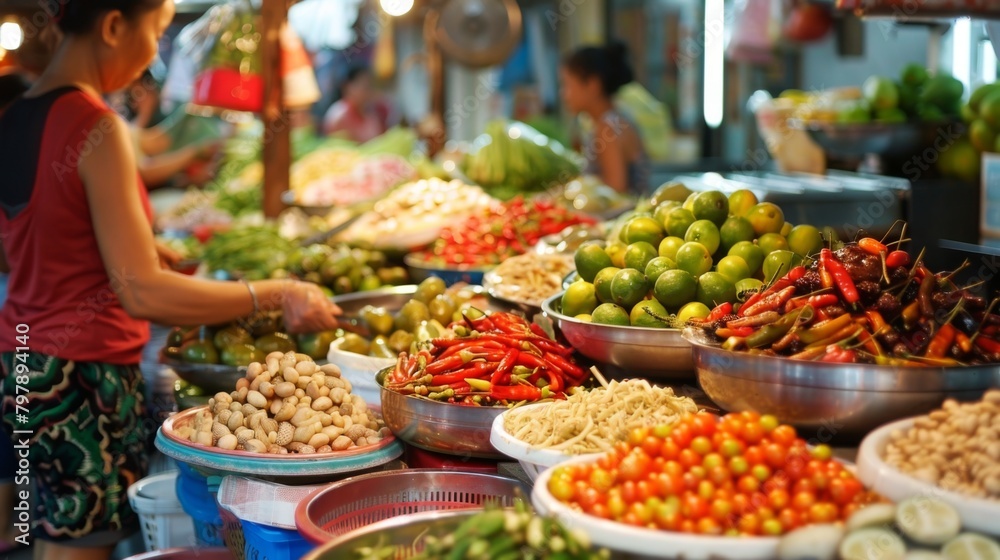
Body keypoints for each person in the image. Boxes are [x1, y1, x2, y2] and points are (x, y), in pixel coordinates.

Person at [0, 1, 341, 559]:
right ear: (113, 26)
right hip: (81, 371)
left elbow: (20, 247)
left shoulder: (16, 115)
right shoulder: (95, 125)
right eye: (156, 31)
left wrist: (107, 247)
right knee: (78, 546)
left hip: (20, 359)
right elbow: (144, 292)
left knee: (50, 533)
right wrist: (275, 293)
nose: (155, 52)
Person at [561, 43, 650, 195]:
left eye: (567, 85)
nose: (564, 94)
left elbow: (616, 192)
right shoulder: (612, 121)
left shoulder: (608, 128)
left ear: (593, 84)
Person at [323, 64, 389, 142]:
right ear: (347, 87)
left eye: (369, 86)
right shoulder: (338, 116)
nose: (368, 91)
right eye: (364, 86)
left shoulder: (371, 114)